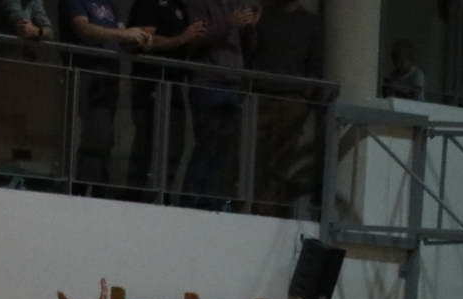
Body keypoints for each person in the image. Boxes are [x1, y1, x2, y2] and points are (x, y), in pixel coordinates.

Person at [59, 0, 152, 197]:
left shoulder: (109, 4)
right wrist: (124, 35)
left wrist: (138, 39)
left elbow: (122, 36)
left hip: (110, 77)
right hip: (87, 74)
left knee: (105, 138)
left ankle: (91, 190)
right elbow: (84, 29)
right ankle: (83, 191)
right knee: (98, 135)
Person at [246, 0, 323, 214]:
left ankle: (265, 209)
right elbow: (248, 52)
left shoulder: (310, 23)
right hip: (261, 96)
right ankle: (250, 206)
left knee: (281, 161)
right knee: (255, 156)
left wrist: (304, 98)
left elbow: (315, 65)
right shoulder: (263, 15)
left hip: (291, 100)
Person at [182, 0, 259, 210]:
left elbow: (248, 49)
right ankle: (193, 200)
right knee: (208, 141)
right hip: (208, 81)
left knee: (226, 148)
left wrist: (251, 27)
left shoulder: (235, 4)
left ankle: (213, 199)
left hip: (233, 83)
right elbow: (196, 37)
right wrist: (230, 22)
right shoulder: (200, 3)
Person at [125, 0, 205, 197]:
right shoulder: (148, 3)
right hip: (151, 81)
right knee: (147, 140)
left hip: (174, 84)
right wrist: (182, 38)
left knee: (175, 143)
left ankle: (165, 195)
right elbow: (145, 39)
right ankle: (135, 194)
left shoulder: (180, 5)